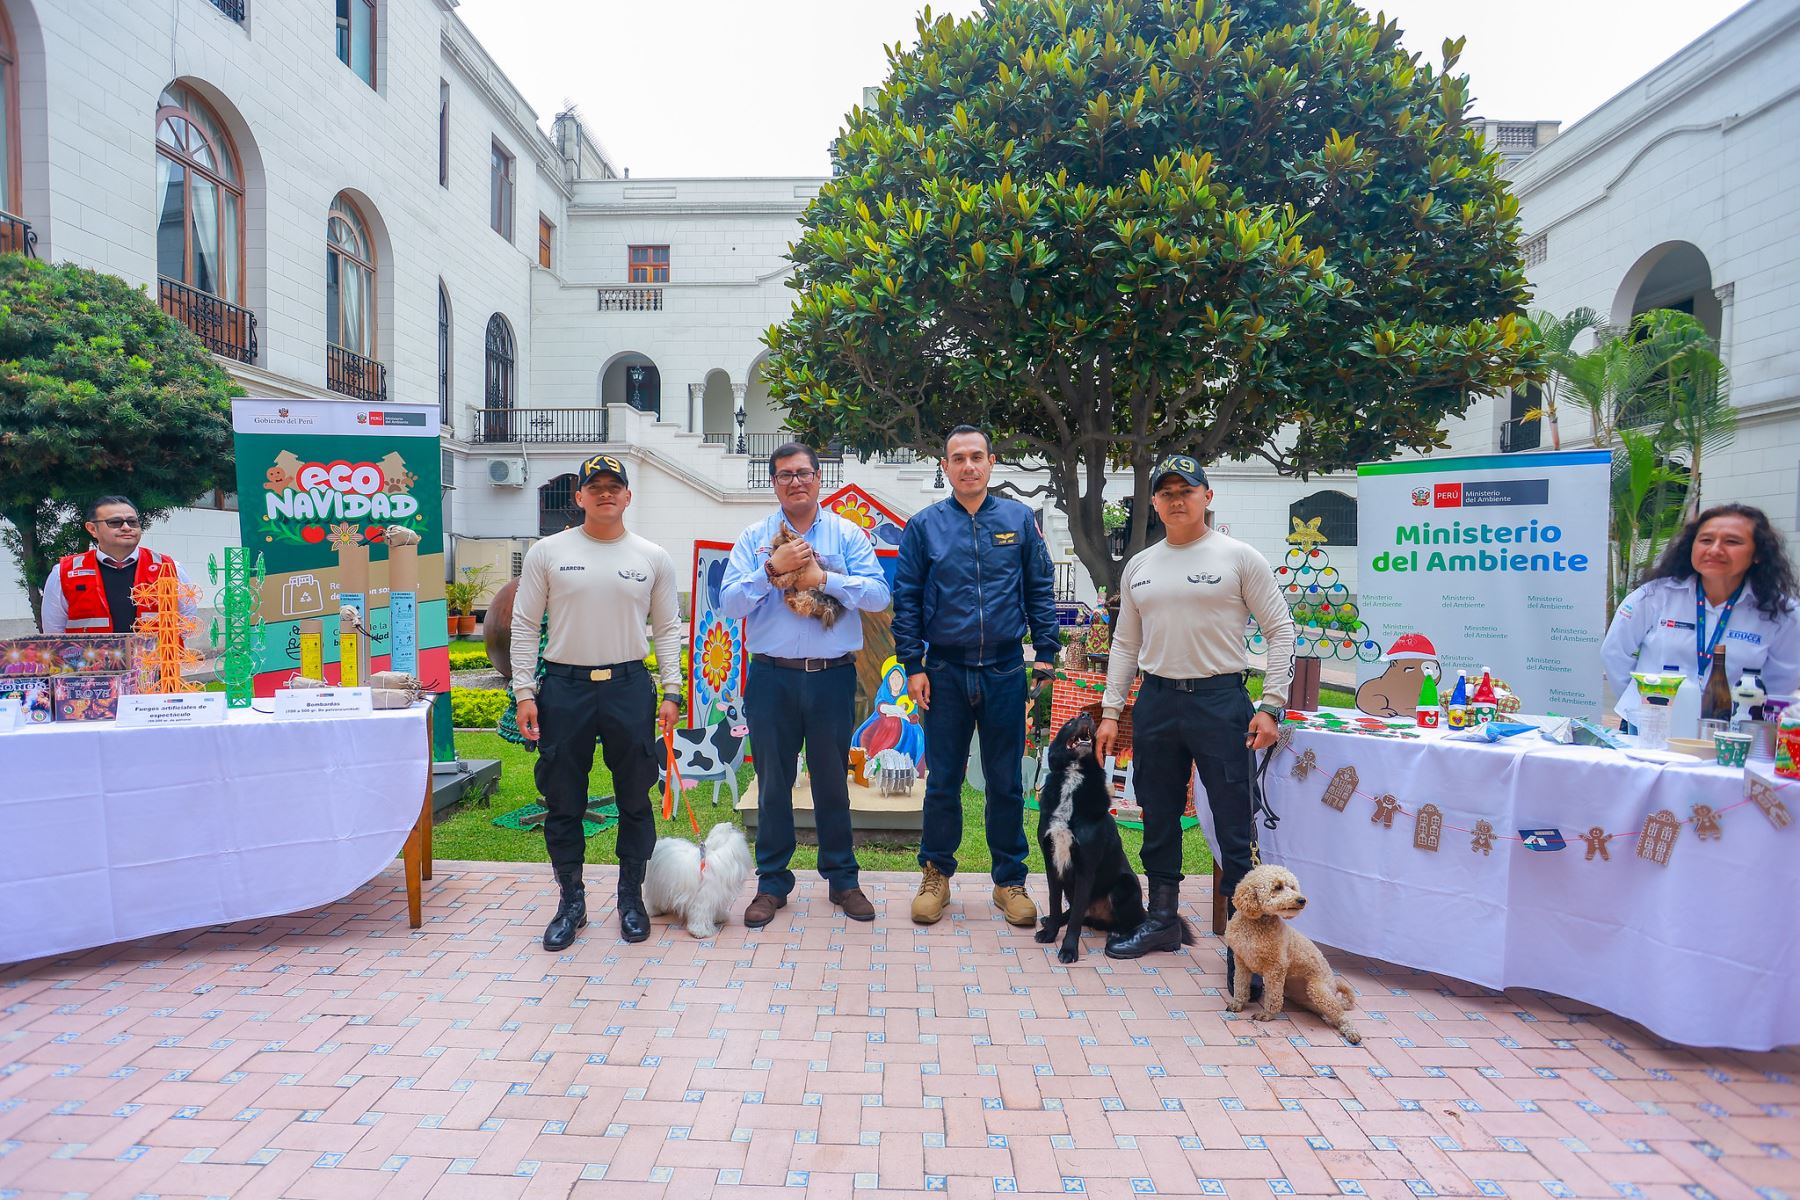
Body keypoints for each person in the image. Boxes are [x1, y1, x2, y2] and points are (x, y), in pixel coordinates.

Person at [1095, 454, 1295, 965]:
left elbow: (1280, 631)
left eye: (1187, 490)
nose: (1176, 499)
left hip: (1221, 702)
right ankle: (1161, 920)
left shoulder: (1238, 557)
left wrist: (1271, 704)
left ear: (1208, 496)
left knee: (1233, 825)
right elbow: (1124, 644)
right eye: (1166, 492)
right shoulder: (1140, 566)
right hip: (1157, 702)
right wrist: (1112, 711)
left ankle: (1249, 944)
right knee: (1157, 816)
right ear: (1155, 502)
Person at [511, 453, 683, 950]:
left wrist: (671, 689)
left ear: (628, 496)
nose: (606, 493)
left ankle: (630, 898)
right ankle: (571, 901)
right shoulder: (548, 552)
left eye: (615, 485)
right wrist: (525, 691)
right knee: (564, 799)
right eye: (596, 486)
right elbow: (524, 625)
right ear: (580, 497)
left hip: (630, 686)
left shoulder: (652, 557)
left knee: (635, 797)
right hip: (565, 689)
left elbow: (668, 629)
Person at [894, 425, 1061, 927]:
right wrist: (914, 665)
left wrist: (1047, 652)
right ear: (944, 467)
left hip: (1006, 669)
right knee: (942, 780)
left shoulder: (1018, 520)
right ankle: (936, 875)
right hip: (943, 670)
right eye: (957, 458)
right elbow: (906, 600)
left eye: (976, 457)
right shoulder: (924, 526)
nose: (967, 466)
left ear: (991, 463)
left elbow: (1039, 587)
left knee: (1005, 782)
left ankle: (1009, 881)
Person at [721, 442, 892, 927]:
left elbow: (878, 594)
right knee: (773, 781)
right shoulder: (754, 538)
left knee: (832, 780)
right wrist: (771, 569)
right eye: (784, 475)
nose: (795, 482)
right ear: (773, 483)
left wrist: (824, 577)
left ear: (819, 479)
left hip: (832, 677)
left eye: (803, 473)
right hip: (771, 678)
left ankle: (842, 879)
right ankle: (772, 883)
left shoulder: (848, 534)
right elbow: (730, 603)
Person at [1603, 503, 1800, 705]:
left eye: (1732, 541)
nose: (1715, 550)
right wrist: (1636, 707)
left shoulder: (1782, 612)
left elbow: (1781, 684)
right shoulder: (1653, 595)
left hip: (1731, 732)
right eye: (1706, 540)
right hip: (1650, 724)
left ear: (1758, 554)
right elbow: (1615, 653)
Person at [41, 496, 196, 635]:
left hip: (151, 665)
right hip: (92, 666)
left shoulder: (168, 567)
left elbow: (187, 619)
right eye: (115, 522)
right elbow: (54, 631)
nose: (126, 527)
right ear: (92, 529)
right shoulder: (65, 572)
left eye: (132, 522)